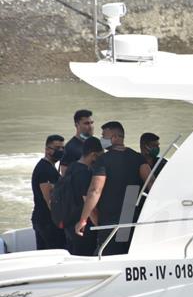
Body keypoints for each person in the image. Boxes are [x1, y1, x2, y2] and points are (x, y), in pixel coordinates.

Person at [75, 121, 151, 255]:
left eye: (104, 136)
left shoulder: (103, 160)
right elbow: (152, 184)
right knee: (128, 255)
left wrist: (83, 219)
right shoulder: (138, 158)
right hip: (131, 216)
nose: (101, 139)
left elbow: (95, 190)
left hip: (110, 219)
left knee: (109, 256)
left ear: (115, 137)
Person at [64, 137, 104, 256]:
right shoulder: (84, 174)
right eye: (100, 156)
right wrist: (99, 226)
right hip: (83, 229)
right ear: (93, 155)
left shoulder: (72, 167)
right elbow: (88, 202)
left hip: (70, 224)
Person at [31, 134, 66, 250]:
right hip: (47, 221)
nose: (60, 151)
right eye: (57, 148)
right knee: (54, 252)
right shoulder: (45, 170)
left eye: (62, 148)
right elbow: (50, 200)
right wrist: (60, 221)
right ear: (47, 149)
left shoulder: (49, 167)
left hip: (42, 219)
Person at [60, 109, 94, 176]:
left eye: (92, 123)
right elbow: (65, 175)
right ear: (76, 125)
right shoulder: (70, 148)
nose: (90, 127)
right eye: (86, 123)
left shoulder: (94, 144)